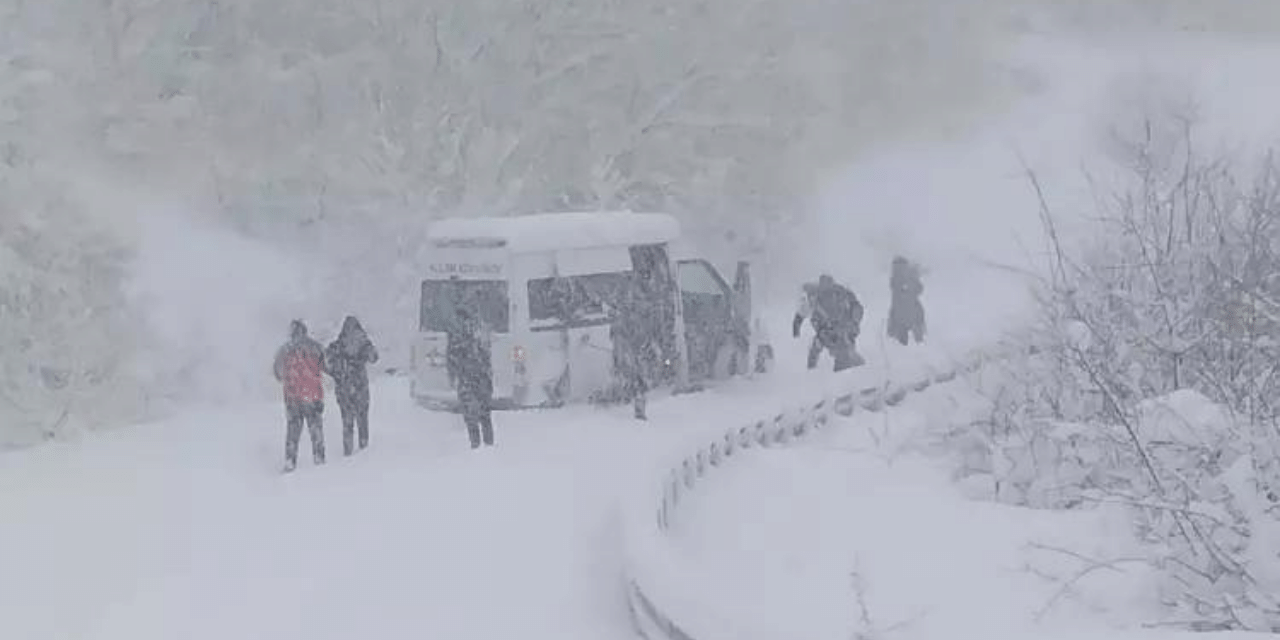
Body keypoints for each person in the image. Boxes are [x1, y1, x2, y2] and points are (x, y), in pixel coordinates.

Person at [273, 319, 328, 472]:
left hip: (292, 398)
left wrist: (290, 377)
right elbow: (327, 367)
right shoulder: (316, 347)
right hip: (313, 396)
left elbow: (277, 374)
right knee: (316, 431)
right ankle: (319, 462)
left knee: (292, 433)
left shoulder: (284, 349)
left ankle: (290, 462)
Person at [325, 315, 379, 456]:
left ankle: (348, 450)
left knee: (347, 420)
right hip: (360, 385)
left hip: (344, 386)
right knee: (362, 417)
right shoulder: (364, 342)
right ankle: (364, 447)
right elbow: (374, 358)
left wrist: (336, 374)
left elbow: (324, 362)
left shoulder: (337, 344)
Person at [792, 274, 864, 372]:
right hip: (826, 331)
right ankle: (812, 373)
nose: (827, 293)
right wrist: (796, 332)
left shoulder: (841, 292)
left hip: (843, 328)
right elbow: (800, 315)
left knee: (844, 350)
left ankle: (855, 368)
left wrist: (854, 322)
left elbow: (856, 307)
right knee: (819, 348)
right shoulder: (814, 298)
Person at [446, 307, 495, 449]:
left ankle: (479, 445)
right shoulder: (475, 334)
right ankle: (486, 445)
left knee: (474, 415)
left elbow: (454, 359)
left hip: (471, 379)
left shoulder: (461, 337)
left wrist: (454, 374)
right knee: (481, 414)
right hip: (477, 379)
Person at [608, 277, 650, 420]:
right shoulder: (623, 317)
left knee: (636, 377)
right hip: (629, 349)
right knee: (633, 376)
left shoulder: (631, 314)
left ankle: (637, 403)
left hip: (634, 349)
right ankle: (633, 399)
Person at [887, 256, 926, 345]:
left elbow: (918, 289)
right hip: (909, 309)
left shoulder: (896, 278)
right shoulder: (906, 278)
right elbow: (919, 289)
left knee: (901, 330)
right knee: (918, 318)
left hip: (900, 310)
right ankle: (919, 339)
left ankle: (913, 340)